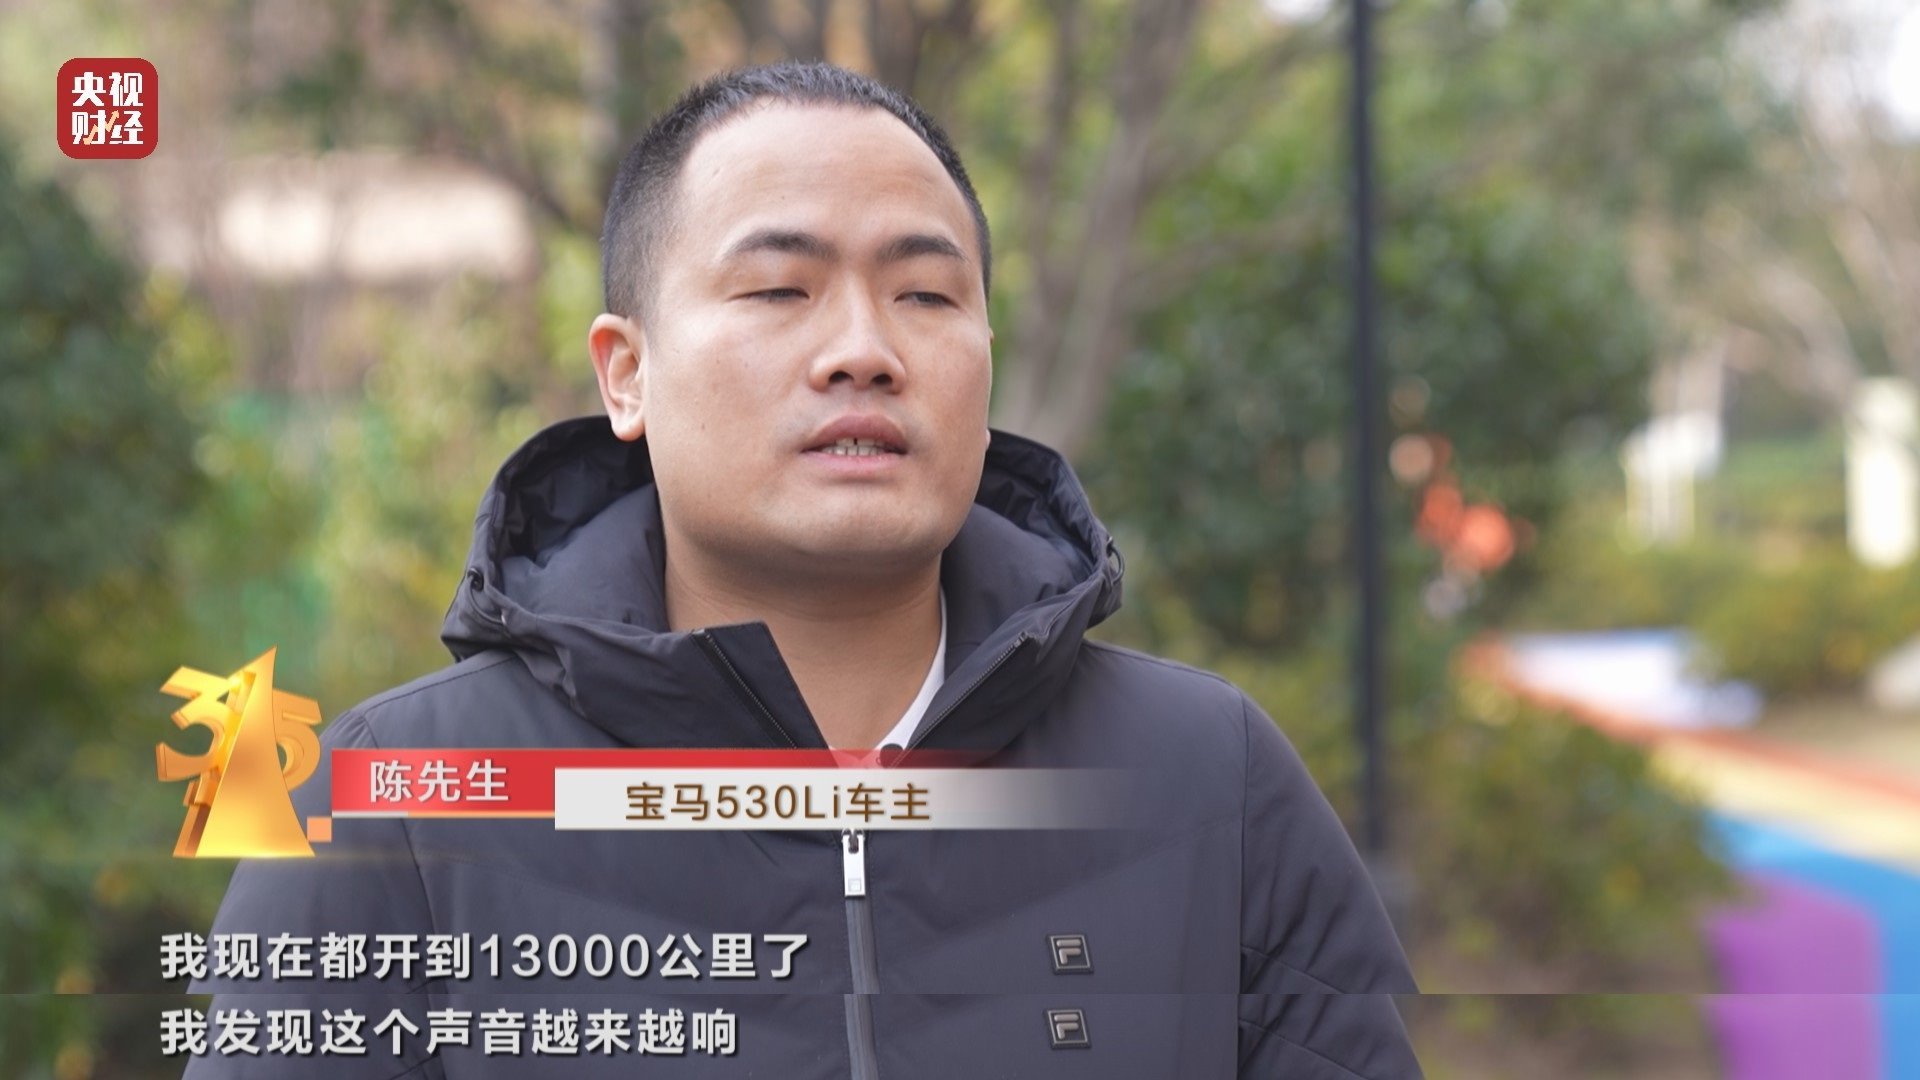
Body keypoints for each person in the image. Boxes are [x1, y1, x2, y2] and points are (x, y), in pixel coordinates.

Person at [188, 60, 1422, 1079]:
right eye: (781, 288)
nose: (864, 349)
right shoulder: (391, 815)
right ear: (627, 372)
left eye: (926, 294)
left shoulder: (1207, 780)